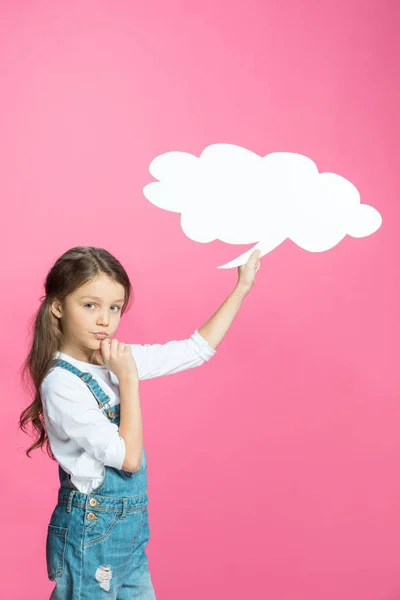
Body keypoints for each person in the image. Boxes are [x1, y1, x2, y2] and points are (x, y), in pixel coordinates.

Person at [19, 244, 261, 599]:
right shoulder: (62, 382)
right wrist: (128, 379)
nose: (105, 320)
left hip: (129, 532)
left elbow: (195, 351)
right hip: (92, 531)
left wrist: (241, 287)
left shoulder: (113, 359)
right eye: (90, 305)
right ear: (58, 307)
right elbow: (127, 458)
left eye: (114, 308)